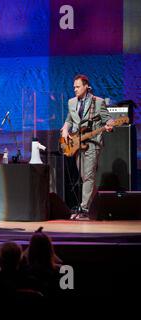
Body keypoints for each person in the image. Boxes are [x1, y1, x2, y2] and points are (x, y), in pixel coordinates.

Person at [60, 74, 114, 219]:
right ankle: (95, 208)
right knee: (84, 177)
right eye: (74, 87)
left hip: (92, 143)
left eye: (77, 87)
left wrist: (110, 124)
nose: (75, 90)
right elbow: (69, 119)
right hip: (78, 144)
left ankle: (84, 210)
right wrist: (65, 129)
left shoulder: (98, 102)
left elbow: (107, 118)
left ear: (86, 86)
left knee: (89, 176)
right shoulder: (72, 102)